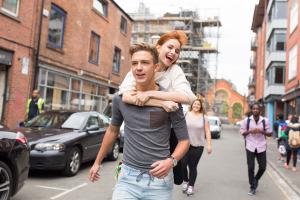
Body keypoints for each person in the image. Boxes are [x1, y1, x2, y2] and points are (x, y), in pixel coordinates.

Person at [89, 44, 190, 200]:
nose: (139, 68)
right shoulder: (120, 99)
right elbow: (112, 131)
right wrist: (97, 162)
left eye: (145, 62)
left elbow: (184, 141)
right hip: (127, 179)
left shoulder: (171, 100)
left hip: (159, 182)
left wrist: (172, 161)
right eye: (135, 63)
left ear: (156, 67)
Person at [119, 30, 196, 108]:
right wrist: (161, 103)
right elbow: (127, 96)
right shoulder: (141, 66)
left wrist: (149, 93)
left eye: (177, 51)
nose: (173, 52)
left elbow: (189, 97)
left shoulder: (174, 70)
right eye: (170, 47)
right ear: (158, 47)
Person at [181, 98, 212, 196]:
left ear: (201, 106)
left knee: (192, 166)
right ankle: (185, 180)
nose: (196, 106)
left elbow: (207, 131)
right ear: (192, 105)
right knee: (182, 164)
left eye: (198, 104)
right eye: (195, 104)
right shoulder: (185, 114)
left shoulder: (204, 117)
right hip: (185, 144)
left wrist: (209, 144)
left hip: (198, 146)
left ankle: (191, 185)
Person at [240, 102, 272, 196]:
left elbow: (270, 133)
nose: (255, 110)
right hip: (250, 145)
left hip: (261, 146)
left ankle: (256, 179)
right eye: (254, 109)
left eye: (257, 109)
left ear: (259, 111)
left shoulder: (265, 121)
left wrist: (262, 131)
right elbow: (242, 132)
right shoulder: (247, 121)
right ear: (252, 110)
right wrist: (250, 131)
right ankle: (252, 187)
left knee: (263, 167)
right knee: (250, 167)